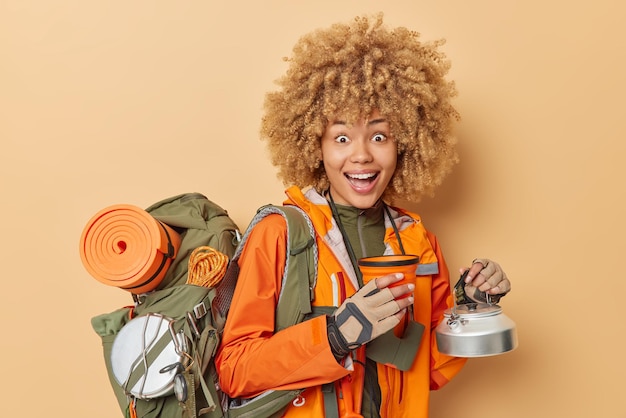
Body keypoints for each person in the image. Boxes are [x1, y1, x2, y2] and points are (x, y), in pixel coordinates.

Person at [215, 13, 511, 418]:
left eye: (379, 135)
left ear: (404, 142)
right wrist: (335, 335)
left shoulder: (416, 241)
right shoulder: (279, 235)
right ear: (314, 145)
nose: (361, 155)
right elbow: (234, 370)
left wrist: (470, 308)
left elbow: (427, 370)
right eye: (341, 137)